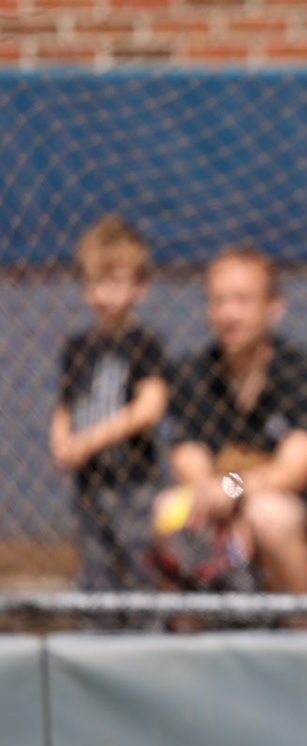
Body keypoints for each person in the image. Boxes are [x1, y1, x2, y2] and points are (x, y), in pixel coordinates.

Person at [159, 246, 307, 595]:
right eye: (219, 301)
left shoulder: (305, 375)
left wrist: (232, 490)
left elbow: (292, 472)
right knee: (169, 509)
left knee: (268, 514)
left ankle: (306, 634)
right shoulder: (190, 375)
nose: (229, 313)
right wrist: (220, 503)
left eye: (242, 300)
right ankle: (186, 639)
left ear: (273, 308)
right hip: (222, 526)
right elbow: (189, 465)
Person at [48, 215, 170, 600]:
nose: (105, 294)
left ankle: (144, 642)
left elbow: (151, 407)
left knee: (138, 565)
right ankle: (94, 645)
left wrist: (93, 440)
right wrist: (62, 439)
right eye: (96, 281)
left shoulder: (144, 343)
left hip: (134, 483)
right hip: (90, 483)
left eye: (116, 282)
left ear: (140, 288)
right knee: (96, 567)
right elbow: (66, 404)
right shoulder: (78, 346)